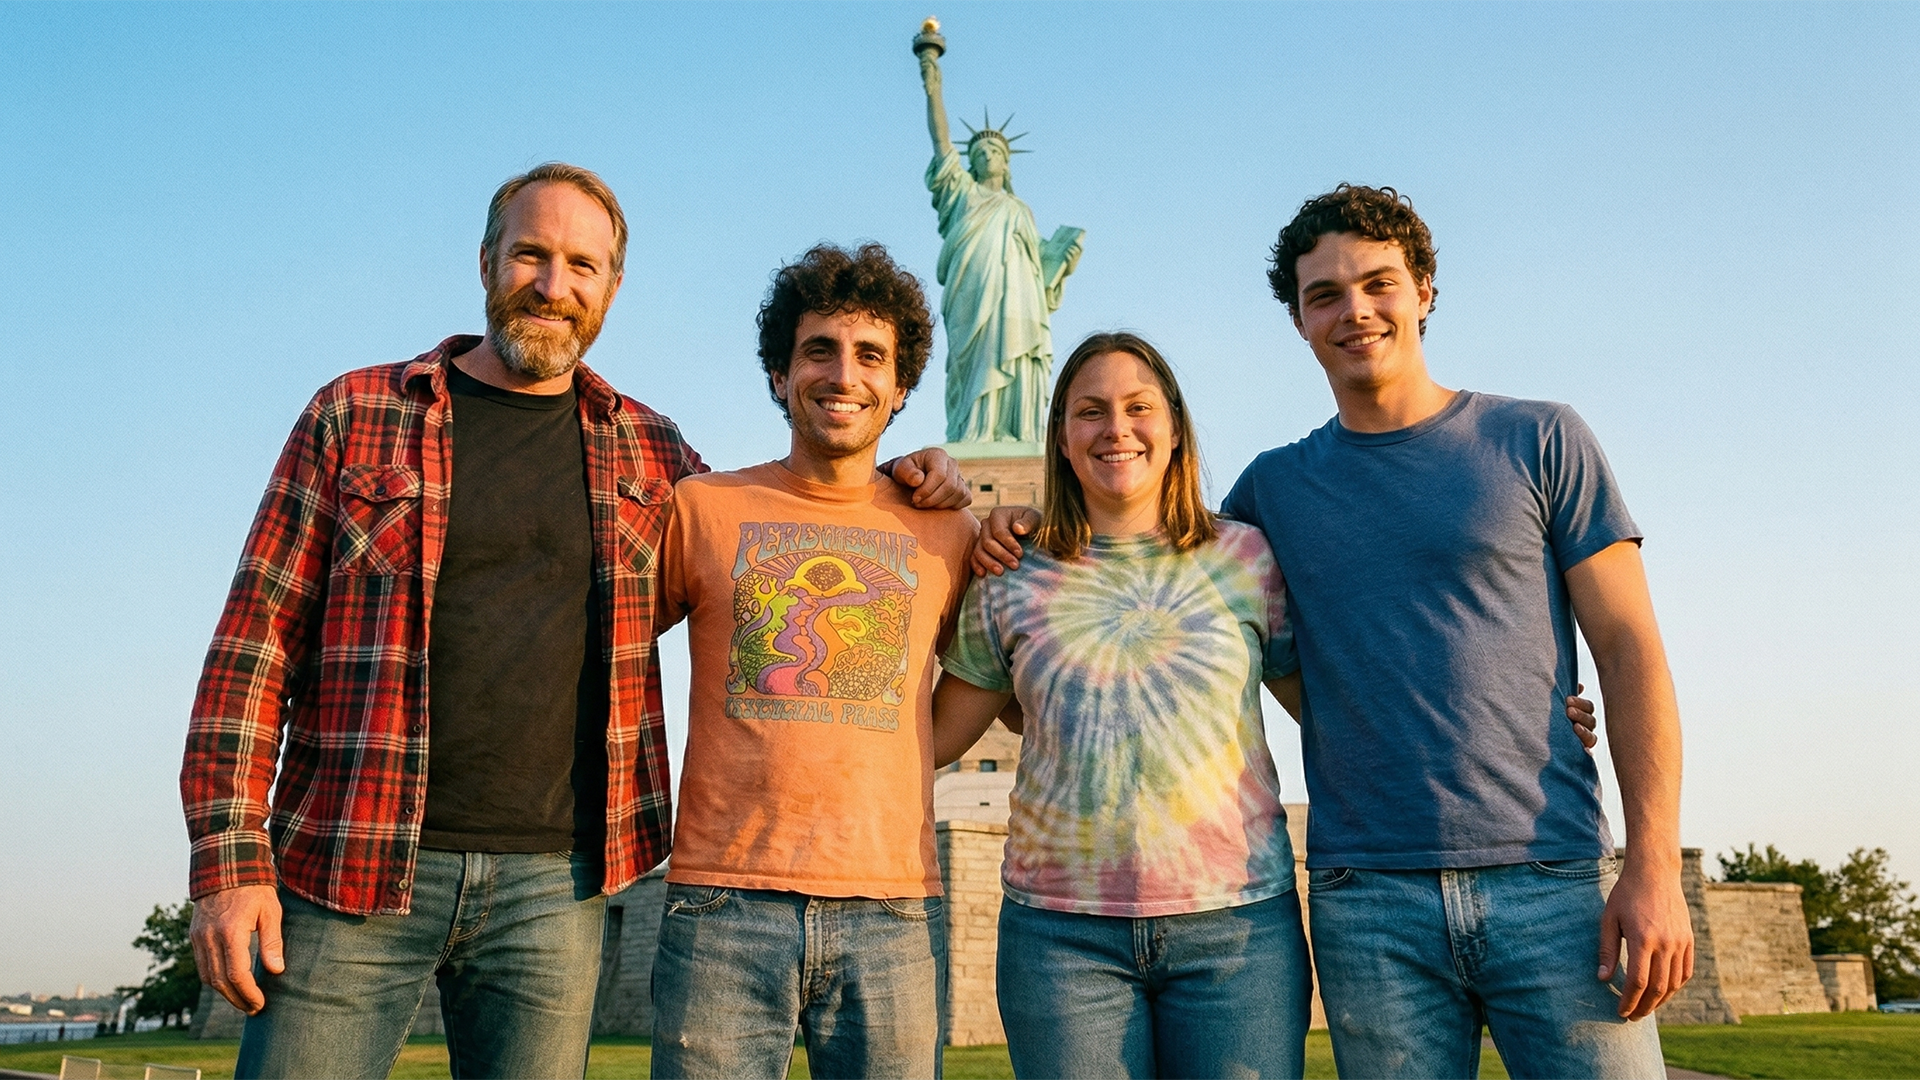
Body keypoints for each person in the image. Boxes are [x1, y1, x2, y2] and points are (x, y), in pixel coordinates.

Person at [179, 166, 969, 1080]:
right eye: (532, 255)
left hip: (553, 889)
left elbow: (803, 534)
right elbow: (251, 646)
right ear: (486, 261)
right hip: (351, 865)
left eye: (582, 266)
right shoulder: (357, 415)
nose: (555, 287)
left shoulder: (652, 452)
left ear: (611, 288)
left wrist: (922, 479)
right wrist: (229, 862)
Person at [1230, 185, 1689, 1078]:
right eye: (1324, 294)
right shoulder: (1269, 492)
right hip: (1367, 901)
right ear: (1297, 320)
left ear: (1425, 289)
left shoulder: (1541, 439)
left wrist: (1654, 866)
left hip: (1553, 880)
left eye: (1379, 283)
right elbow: (1202, 617)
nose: (1355, 311)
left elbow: (1630, 650)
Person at [931, 332, 1313, 1079]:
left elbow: (1339, 715)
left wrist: (1532, 725)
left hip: (1236, 929)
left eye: (1139, 407)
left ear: (1173, 428)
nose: (1116, 428)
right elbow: (936, 736)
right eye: (1090, 411)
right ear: (1062, 440)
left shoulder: (1246, 557)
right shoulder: (1010, 574)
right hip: (1060, 939)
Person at [647, 243, 979, 1080]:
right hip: (723, 901)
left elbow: (993, 688)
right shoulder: (703, 507)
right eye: (819, 350)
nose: (844, 374)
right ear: (778, 374)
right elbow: (603, 649)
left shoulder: (946, 530)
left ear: (900, 389)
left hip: (891, 905)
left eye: (872, 356)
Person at [917, 37, 1084, 444]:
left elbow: (1043, 277)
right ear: (969, 161)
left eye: (995, 149)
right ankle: (973, 432)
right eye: (981, 150)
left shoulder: (1021, 210)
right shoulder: (961, 193)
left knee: (1020, 358)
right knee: (975, 361)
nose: (988, 154)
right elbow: (941, 143)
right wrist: (932, 82)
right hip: (973, 290)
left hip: (1021, 299)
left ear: (1006, 162)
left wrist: (1065, 260)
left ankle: (1018, 432)